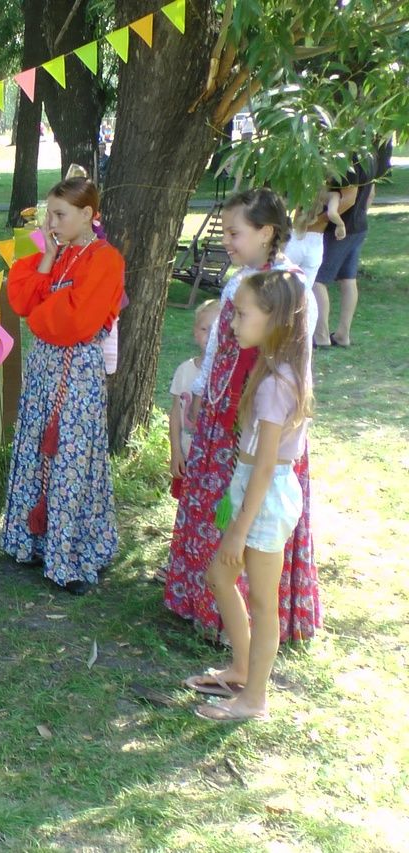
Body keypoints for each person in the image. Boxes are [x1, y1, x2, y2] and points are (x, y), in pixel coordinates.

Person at [164, 188, 320, 643]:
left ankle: (241, 627)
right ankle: (206, 605)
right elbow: (218, 349)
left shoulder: (289, 288)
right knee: (217, 508)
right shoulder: (242, 280)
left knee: (249, 517)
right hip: (222, 417)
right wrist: (199, 391)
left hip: (256, 428)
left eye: (235, 232)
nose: (227, 241)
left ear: (266, 231)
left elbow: (295, 363)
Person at [186, 270, 313, 721]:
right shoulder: (267, 367)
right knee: (220, 578)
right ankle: (241, 669)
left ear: (274, 318)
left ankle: (255, 698)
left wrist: (239, 529)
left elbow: (265, 466)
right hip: (252, 490)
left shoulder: (277, 383)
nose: (232, 323)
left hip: (265, 496)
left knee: (261, 601)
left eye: (241, 314)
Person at [0, 176, 124, 595]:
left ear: (88, 214)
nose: (50, 222)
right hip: (44, 367)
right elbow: (21, 300)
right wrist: (49, 262)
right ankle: (32, 540)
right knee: (38, 445)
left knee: (69, 451)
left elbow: (75, 321)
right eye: (48, 213)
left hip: (76, 370)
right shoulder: (53, 251)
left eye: (59, 214)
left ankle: (69, 553)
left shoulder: (106, 260)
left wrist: (45, 303)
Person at [313, 142, 392, 348]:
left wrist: (320, 220)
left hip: (340, 229)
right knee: (348, 280)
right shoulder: (370, 154)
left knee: (317, 280)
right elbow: (371, 193)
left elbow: (348, 198)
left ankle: (321, 336)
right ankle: (342, 335)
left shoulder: (349, 156)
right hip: (359, 225)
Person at [169, 300, 220, 499]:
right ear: (195, 332)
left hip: (215, 462)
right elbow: (175, 413)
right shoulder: (184, 370)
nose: (210, 336)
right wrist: (175, 452)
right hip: (187, 455)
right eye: (204, 328)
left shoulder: (226, 377)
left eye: (216, 330)